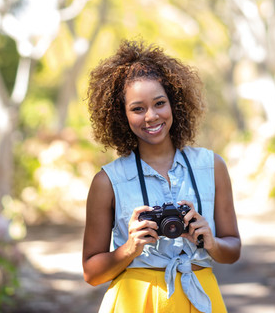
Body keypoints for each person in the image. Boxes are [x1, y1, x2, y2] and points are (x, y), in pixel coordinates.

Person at [82, 39, 241, 313]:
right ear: (121, 115)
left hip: (201, 297)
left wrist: (211, 242)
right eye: (137, 108)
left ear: (174, 104)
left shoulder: (212, 166)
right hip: (135, 302)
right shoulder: (107, 182)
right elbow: (91, 273)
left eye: (159, 103)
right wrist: (129, 249)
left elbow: (233, 250)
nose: (151, 116)